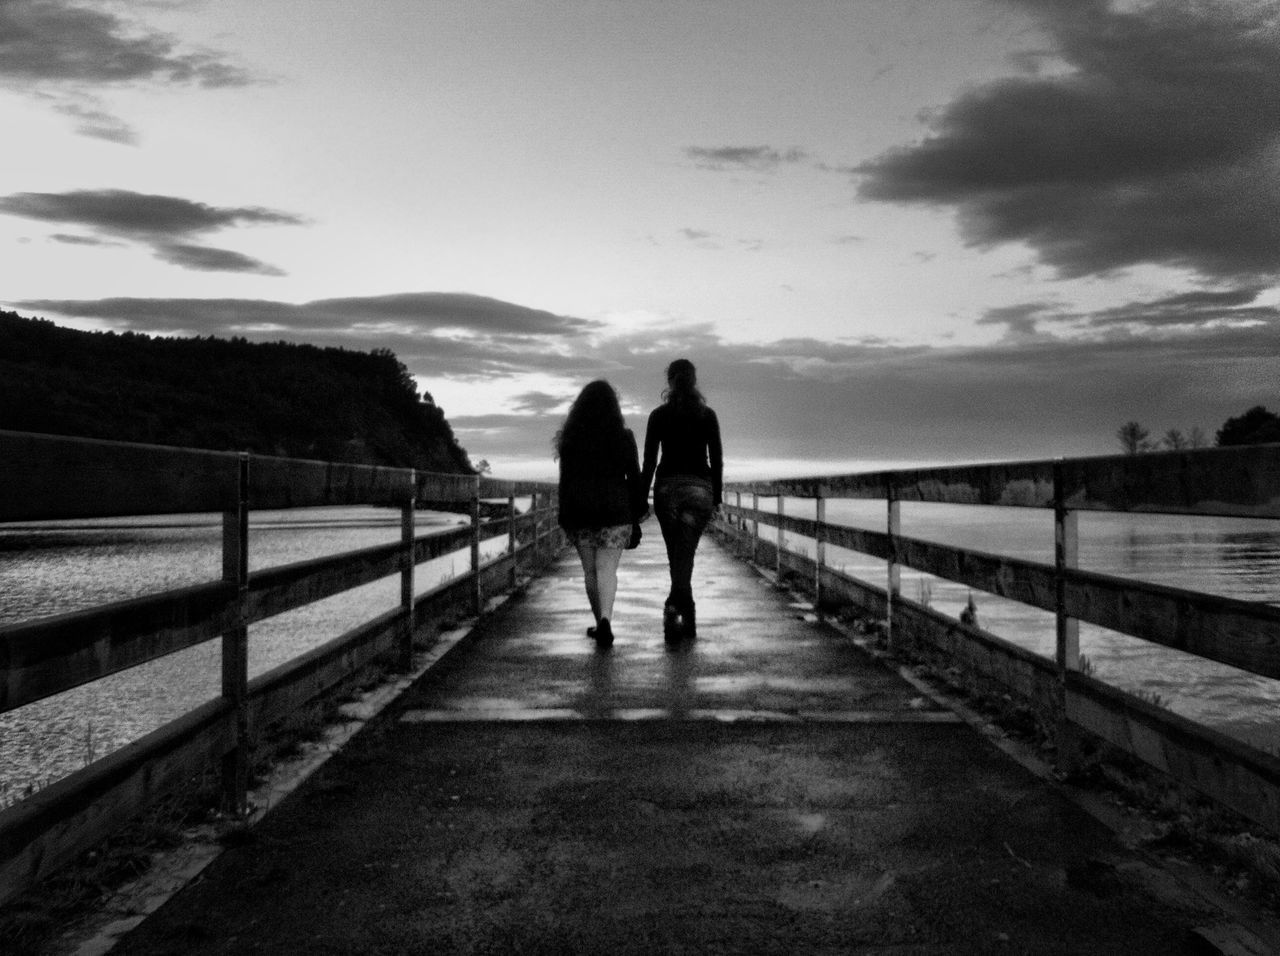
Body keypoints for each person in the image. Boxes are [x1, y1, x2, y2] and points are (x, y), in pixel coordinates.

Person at [555, 380, 646, 647]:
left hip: (581, 511)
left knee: (590, 572)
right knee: (607, 570)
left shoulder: (571, 438)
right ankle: (605, 619)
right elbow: (634, 476)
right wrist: (638, 511)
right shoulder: (624, 436)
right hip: (616, 511)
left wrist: (564, 514)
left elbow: (566, 481)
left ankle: (600, 624)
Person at [640, 359, 723, 640]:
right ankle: (683, 606)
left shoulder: (658, 416)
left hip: (667, 491)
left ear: (670, 381)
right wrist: (718, 496)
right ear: (694, 381)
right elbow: (717, 459)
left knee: (675, 550)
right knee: (684, 551)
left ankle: (678, 603)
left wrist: (641, 498)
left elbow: (649, 461)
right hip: (700, 490)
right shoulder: (707, 415)